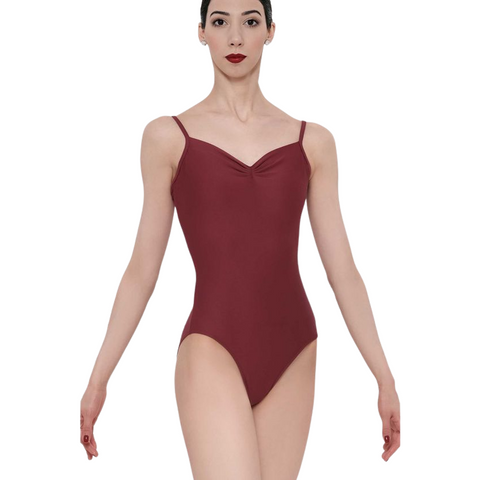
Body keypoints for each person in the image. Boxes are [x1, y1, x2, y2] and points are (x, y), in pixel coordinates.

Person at [80, 0, 401, 475]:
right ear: (201, 32)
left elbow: (344, 273)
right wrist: (98, 379)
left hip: (295, 349)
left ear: (270, 31)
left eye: (250, 21)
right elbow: (141, 271)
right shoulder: (168, 138)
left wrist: (384, 377)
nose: (235, 37)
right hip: (212, 344)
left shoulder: (313, 143)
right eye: (220, 22)